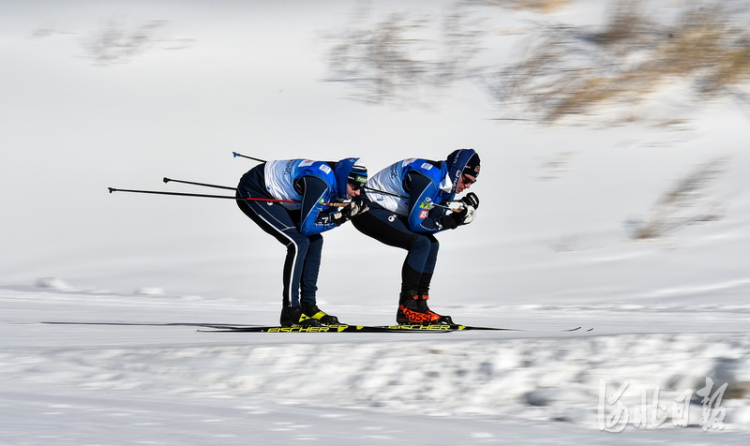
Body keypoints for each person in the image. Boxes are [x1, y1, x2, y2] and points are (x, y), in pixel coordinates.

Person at [351, 149, 480, 324]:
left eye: (472, 182)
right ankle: (407, 307)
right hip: (367, 210)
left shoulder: (446, 183)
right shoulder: (427, 179)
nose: (467, 186)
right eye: (466, 180)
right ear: (457, 172)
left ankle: (420, 305)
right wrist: (453, 221)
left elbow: (432, 220)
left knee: (431, 244)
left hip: (383, 210)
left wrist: (458, 210)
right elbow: (417, 224)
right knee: (421, 243)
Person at [236, 158, 368, 326]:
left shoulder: (338, 184)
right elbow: (308, 226)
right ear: (344, 180)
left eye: (360, 188)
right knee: (298, 243)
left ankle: (308, 306)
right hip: (255, 189)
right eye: (355, 187)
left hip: (277, 189)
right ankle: (290, 310)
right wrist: (341, 217)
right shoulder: (319, 184)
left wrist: (343, 212)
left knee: (315, 241)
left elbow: (320, 220)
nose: (357, 193)